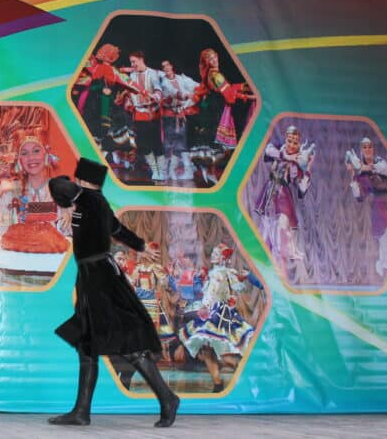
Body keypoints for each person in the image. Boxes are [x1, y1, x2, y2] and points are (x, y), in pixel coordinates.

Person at [46, 158, 179, 428]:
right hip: (91, 277)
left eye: (78, 179)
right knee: (87, 344)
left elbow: (56, 184)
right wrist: (141, 246)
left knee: (125, 343)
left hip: (100, 278)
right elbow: (119, 230)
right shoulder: (96, 204)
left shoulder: (89, 199)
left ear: (83, 182)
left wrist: (71, 200)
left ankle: (167, 398)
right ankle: (81, 411)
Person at [177, 244, 255, 393]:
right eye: (213, 252)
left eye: (216, 254)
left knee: (223, 353)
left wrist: (204, 306)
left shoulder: (218, 273)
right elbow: (240, 288)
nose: (213, 255)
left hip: (217, 313)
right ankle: (217, 383)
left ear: (222, 258)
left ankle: (243, 376)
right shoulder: (226, 272)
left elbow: (211, 293)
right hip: (218, 311)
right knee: (207, 351)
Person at [253, 125, 315, 282]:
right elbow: (268, 151)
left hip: (283, 197)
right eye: (289, 141)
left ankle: (281, 271)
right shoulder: (278, 150)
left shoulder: (297, 164)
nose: (291, 145)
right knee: (267, 231)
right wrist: (287, 156)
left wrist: (308, 168)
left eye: (295, 143)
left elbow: (301, 188)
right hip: (269, 194)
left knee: (282, 228)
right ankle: (267, 271)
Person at [346, 137, 387, 278]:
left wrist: (363, 167)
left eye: (369, 147)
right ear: (361, 150)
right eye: (364, 147)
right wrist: (353, 173)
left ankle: (384, 265)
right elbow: (359, 197)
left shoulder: (379, 162)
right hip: (379, 207)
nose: (367, 149)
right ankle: (385, 267)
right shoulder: (361, 176)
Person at [122, 51, 165, 182]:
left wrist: (155, 97)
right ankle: (155, 170)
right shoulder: (132, 75)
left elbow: (158, 89)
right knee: (143, 144)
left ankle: (162, 171)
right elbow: (131, 91)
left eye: (134, 61)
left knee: (156, 143)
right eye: (131, 62)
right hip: (139, 114)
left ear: (141, 59)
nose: (132, 64)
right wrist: (129, 101)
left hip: (152, 113)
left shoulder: (152, 73)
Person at [158, 60, 200, 181]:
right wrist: (186, 95)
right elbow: (173, 92)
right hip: (169, 115)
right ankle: (165, 171)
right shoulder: (163, 82)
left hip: (182, 114)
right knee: (168, 143)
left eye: (168, 65)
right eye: (163, 66)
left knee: (182, 143)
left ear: (172, 66)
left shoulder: (181, 78)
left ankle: (187, 170)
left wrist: (197, 91)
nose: (166, 68)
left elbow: (196, 86)